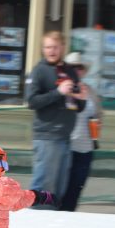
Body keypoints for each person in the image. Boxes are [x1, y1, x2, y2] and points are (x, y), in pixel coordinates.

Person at [27, 31, 86, 199]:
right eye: (47, 47)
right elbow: (31, 101)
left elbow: (78, 107)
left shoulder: (70, 71)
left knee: (59, 188)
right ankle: (36, 220)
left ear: (62, 47)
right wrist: (58, 92)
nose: (51, 51)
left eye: (55, 47)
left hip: (66, 136)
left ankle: (55, 222)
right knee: (43, 186)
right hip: (47, 136)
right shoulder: (39, 70)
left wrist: (81, 99)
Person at [60, 52, 103, 212]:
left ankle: (69, 219)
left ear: (84, 71)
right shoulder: (63, 89)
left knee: (76, 187)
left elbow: (98, 113)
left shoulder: (90, 91)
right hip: (66, 146)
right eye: (72, 67)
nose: (77, 70)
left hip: (86, 148)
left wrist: (98, 124)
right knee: (61, 187)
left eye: (80, 67)